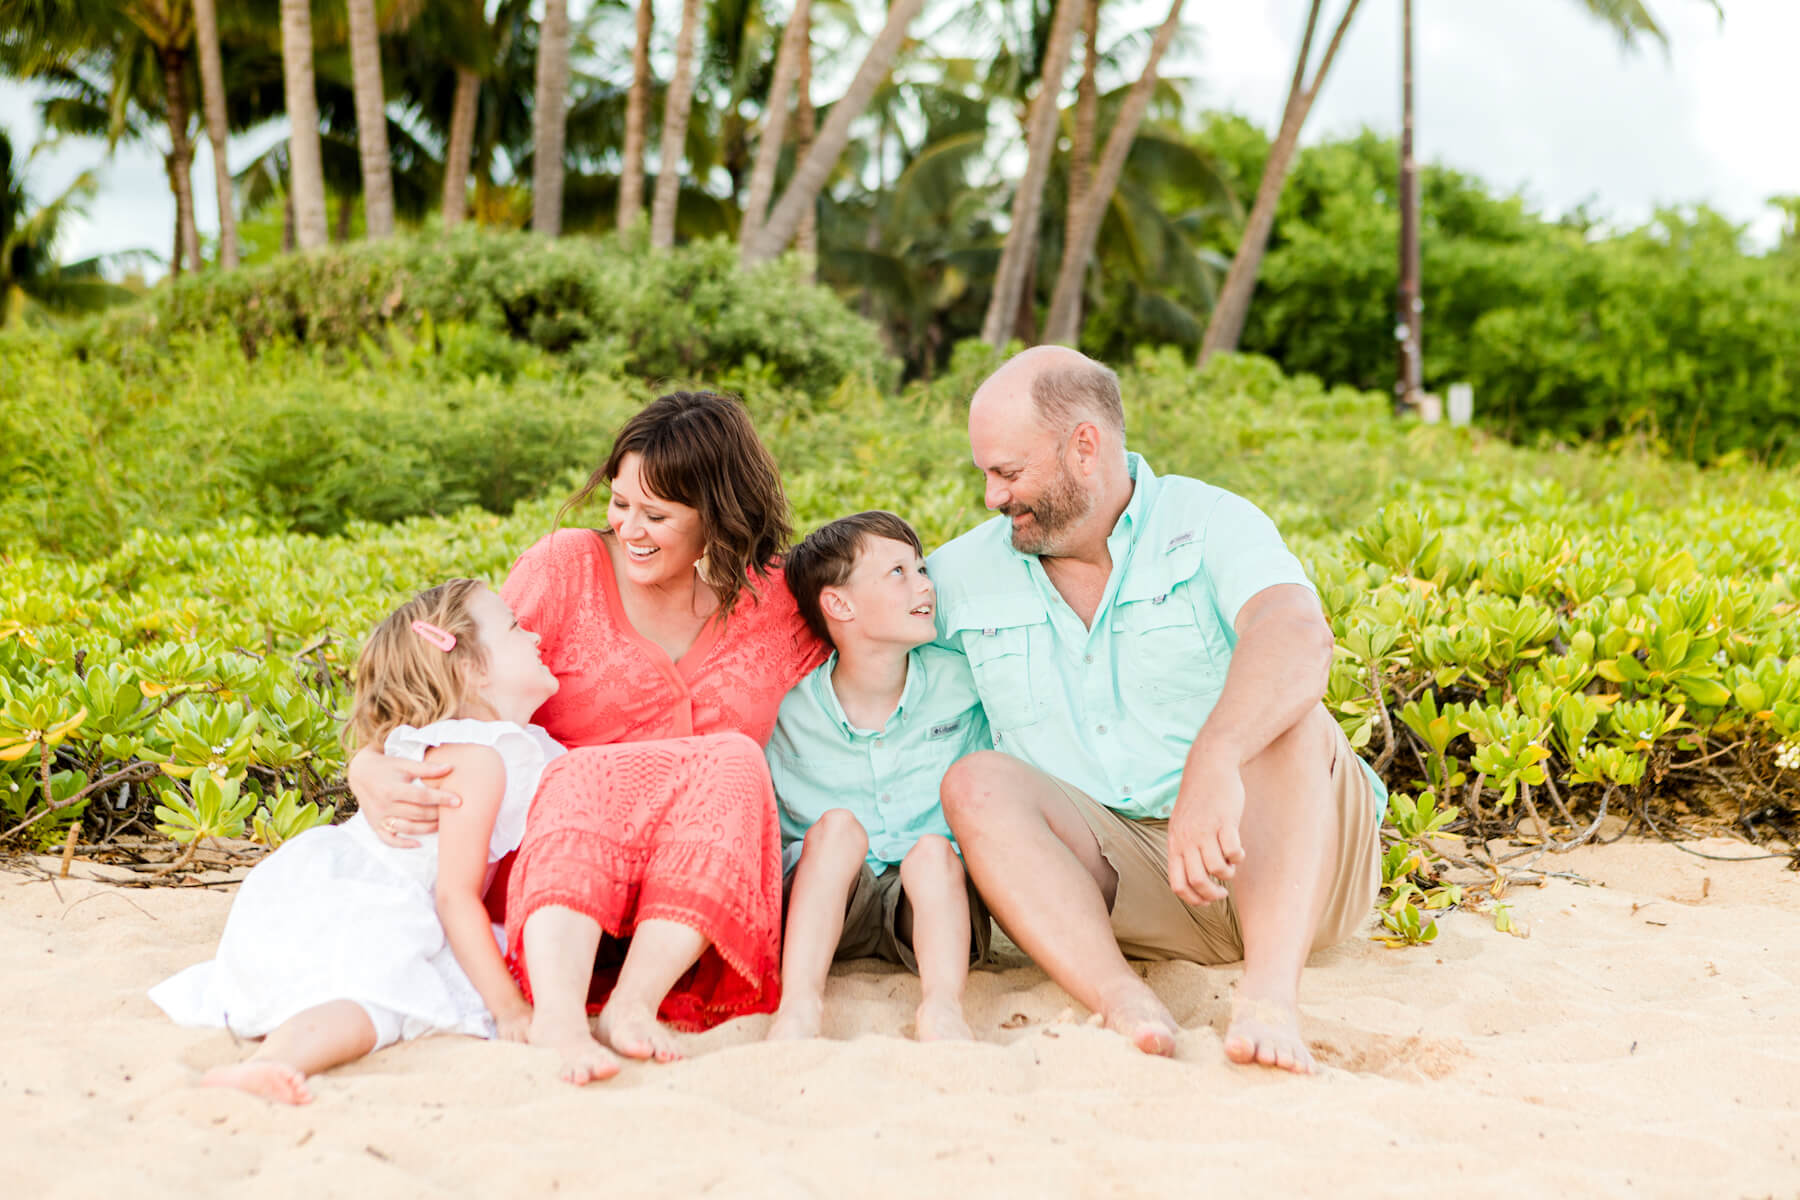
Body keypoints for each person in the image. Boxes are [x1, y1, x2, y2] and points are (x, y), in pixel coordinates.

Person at [930, 345, 1385, 1075]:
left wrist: (1217, 757)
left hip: (1298, 860)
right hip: (1134, 881)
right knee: (977, 783)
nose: (990, 496)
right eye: (984, 473)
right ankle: (1121, 999)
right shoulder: (958, 574)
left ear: (1085, 447)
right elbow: (852, 666)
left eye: (1008, 473)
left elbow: (1297, 633)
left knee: (1287, 710)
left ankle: (1269, 998)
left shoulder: (1211, 520)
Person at [347, 392, 826, 1084]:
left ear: (719, 519)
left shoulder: (776, 600)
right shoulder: (563, 569)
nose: (628, 526)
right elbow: (455, 680)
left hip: (691, 899)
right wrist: (369, 763)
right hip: (560, 886)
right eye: (619, 501)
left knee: (732, 761)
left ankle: (635, 1004)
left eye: (656, 515)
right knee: (578, 770)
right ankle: (563, 1022)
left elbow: (879, 630)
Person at [149, 579, 570, 1103]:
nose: (532, 634)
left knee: (372, 993)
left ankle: (274, 1053)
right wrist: (510, 1012)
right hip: (374, 897)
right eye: (513, 627)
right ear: (473, 670)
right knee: (379, 1004)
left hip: (347, 881)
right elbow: (454, 896)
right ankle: (273, 1062)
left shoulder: (499, 747)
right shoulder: (476, 759)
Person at [764, 512, 993, 1043]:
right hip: (827, 903)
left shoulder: (963, 680)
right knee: (836, 829)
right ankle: (799, 1004)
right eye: (898, 573)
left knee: (934, 852)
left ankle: (942, 1007)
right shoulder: (789, 707)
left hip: (930, 910)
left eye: (921, 568)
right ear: (839, 604)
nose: (924, 585)